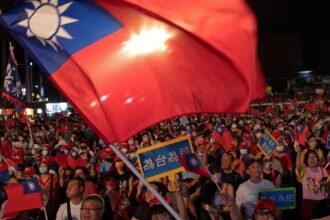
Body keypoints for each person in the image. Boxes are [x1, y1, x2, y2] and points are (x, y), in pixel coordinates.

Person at [296, 148, 328, 220]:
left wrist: (322, 183)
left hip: (322, 203)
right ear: (306, 161)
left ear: (318, 158)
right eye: (309, 157)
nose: (312, 159)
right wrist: (298, 153)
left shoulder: (323, 170)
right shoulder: (304, 170)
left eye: (314, 156)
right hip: (309, 204)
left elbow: (326, 183)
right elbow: (298, 167)